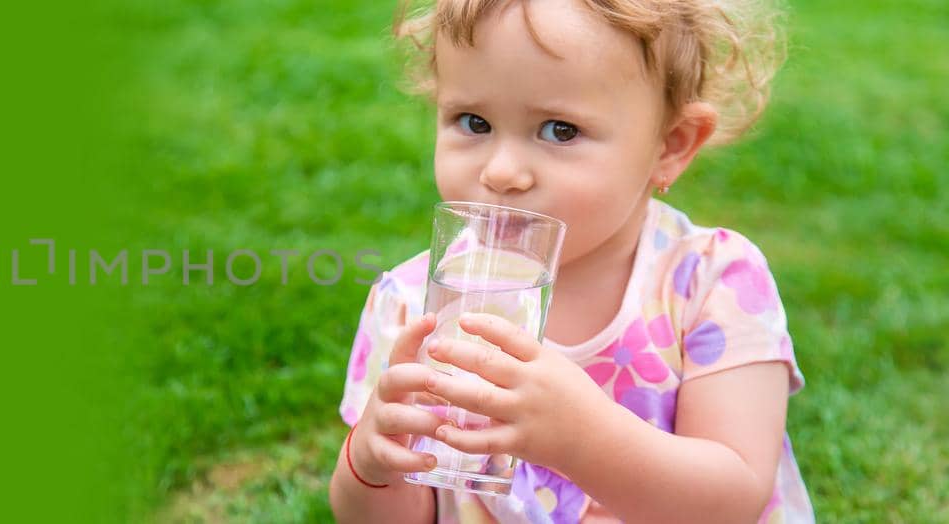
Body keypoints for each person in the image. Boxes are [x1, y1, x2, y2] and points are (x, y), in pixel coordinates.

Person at [329, 0, 813, 522]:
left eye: (560, 130)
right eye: (473, 121)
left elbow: (733, 499)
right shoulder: (413, 305)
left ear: (670, 145)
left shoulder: (711, 281)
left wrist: (582, 440)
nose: (503, 170)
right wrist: (371, 464)